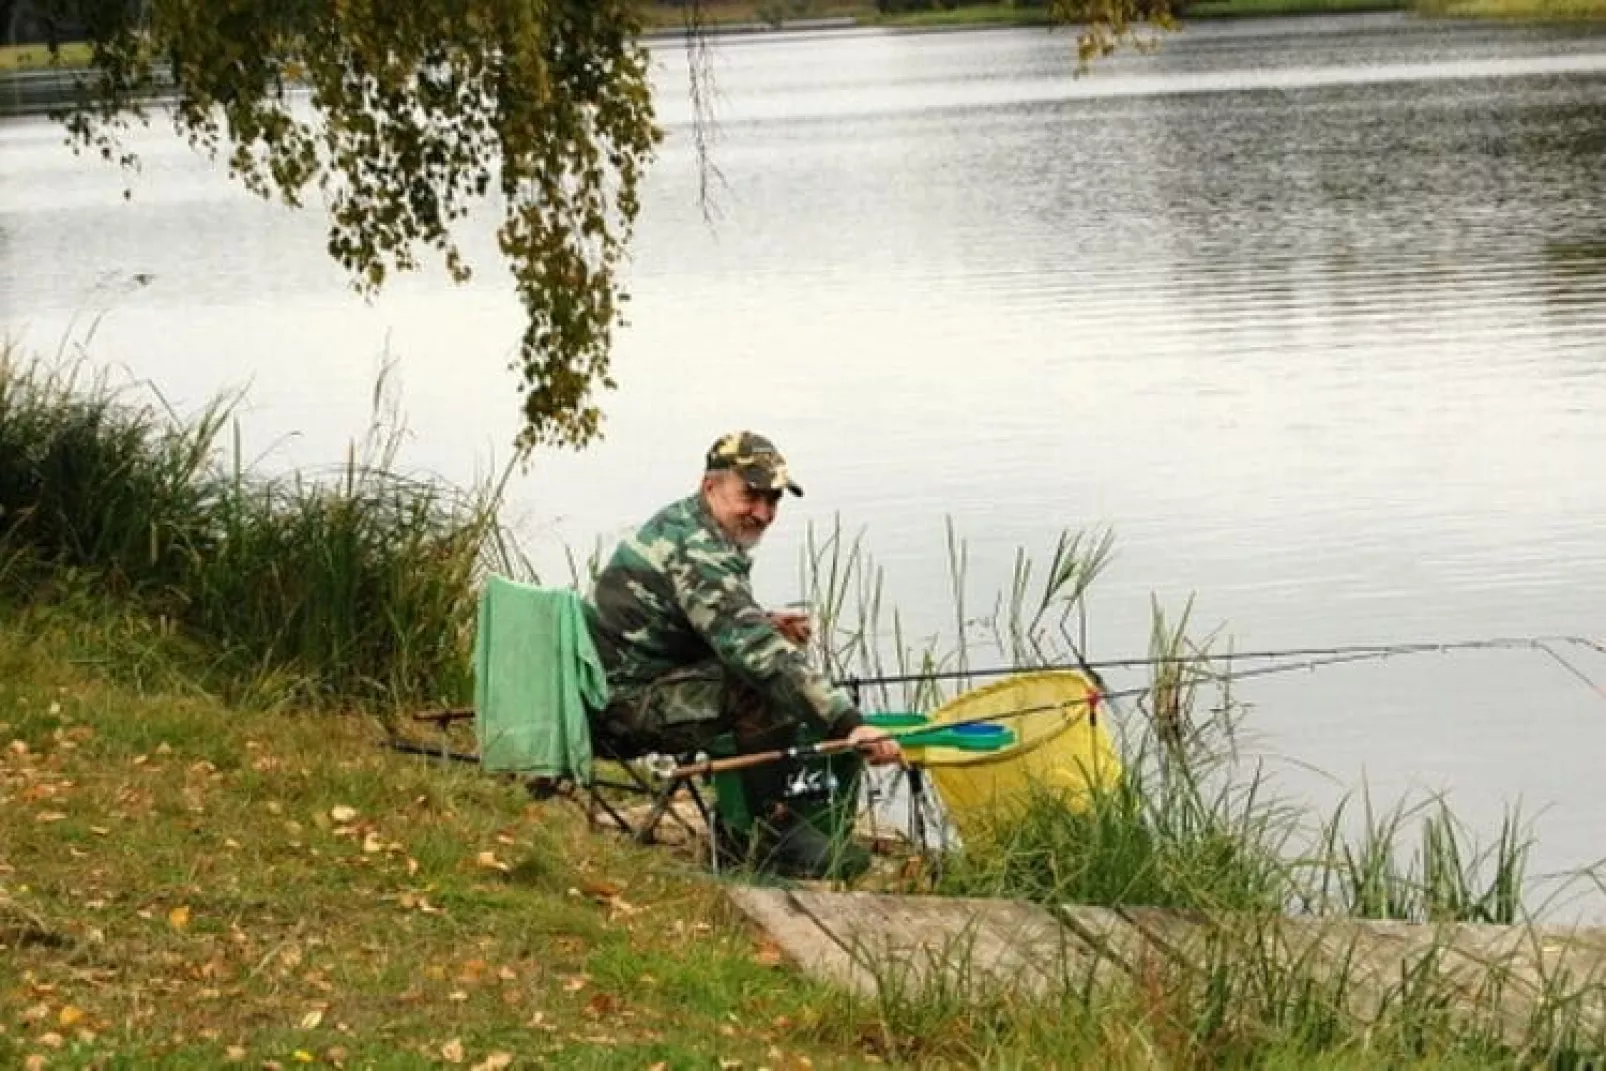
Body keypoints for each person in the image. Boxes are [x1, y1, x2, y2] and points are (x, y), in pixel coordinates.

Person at [585, 431, 900, 878]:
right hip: (620, 712)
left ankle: (747, 823)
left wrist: (763, 620)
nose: (764, 513)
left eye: (773, 500)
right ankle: (766, 835)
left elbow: (693, 618)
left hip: (628, 686)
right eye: (751, 495)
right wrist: (848, 723)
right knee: (761, 683)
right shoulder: (698, 551)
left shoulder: (688, 526)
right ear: (710, 485)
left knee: (763, 666)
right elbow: (759, 655)